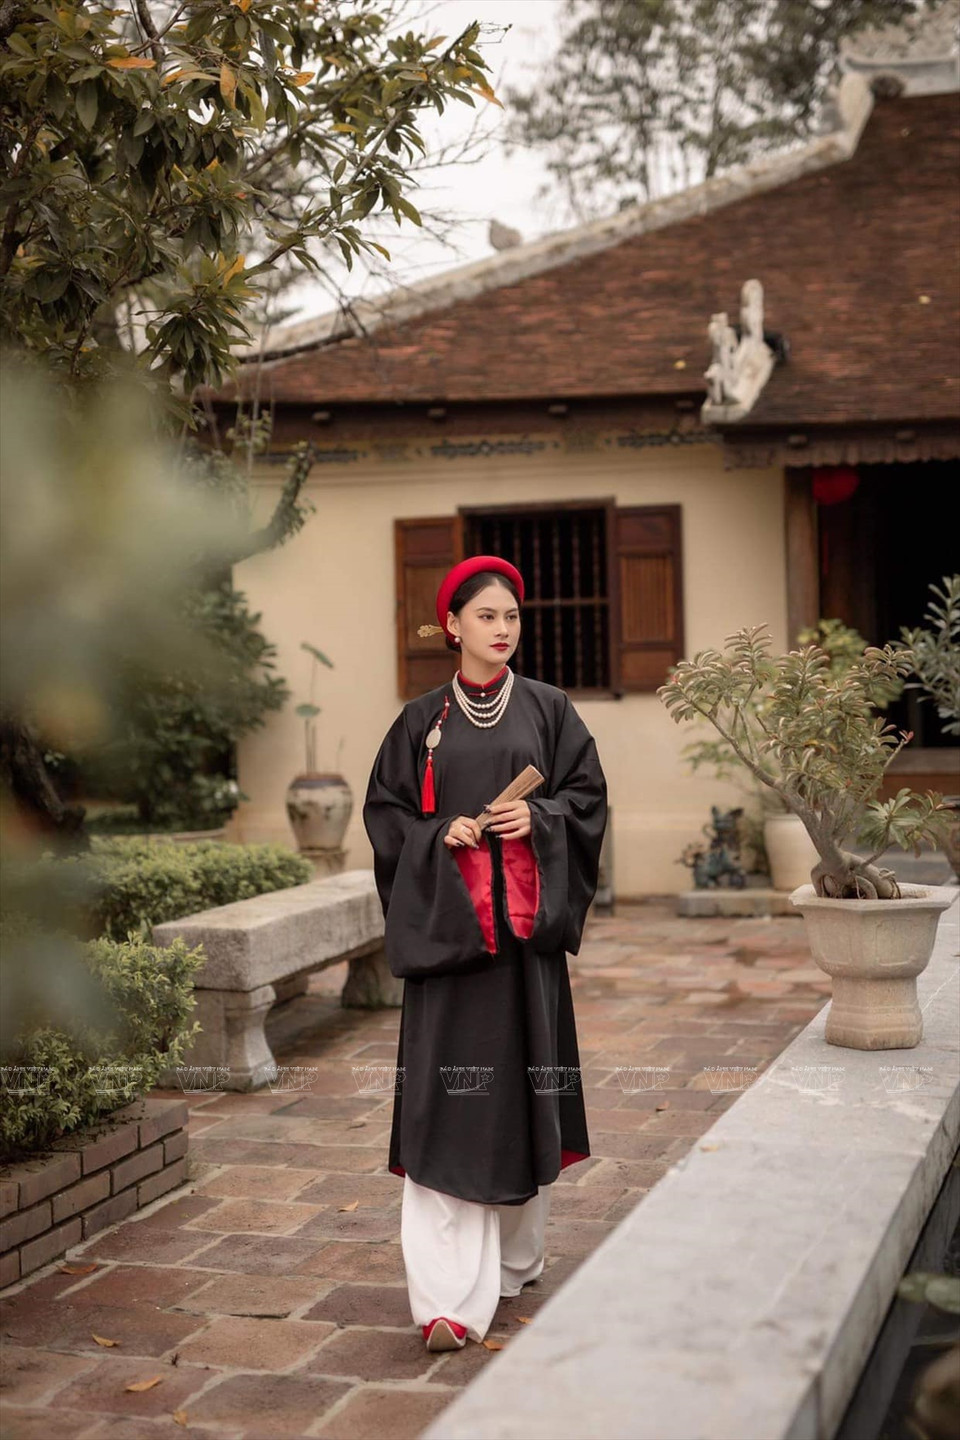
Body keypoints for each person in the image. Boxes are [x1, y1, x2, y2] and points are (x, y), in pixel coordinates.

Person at [362, 554, 608, 1353]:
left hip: (523, 957)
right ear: (453, 627)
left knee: (519, 1098)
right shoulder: (417, 725)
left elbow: (586, 802)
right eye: (487, 617)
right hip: (451, 954)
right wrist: (445, 835)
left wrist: (533, 823)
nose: (502, 629)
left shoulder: (550, 710)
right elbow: (389, 820)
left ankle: (512, 1258)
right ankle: (446, 1303)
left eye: (511, 616)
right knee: (447, 1112)